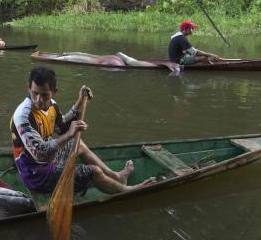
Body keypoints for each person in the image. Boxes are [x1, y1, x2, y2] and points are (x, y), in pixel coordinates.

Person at [10, 66, 155, 194]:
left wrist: (79, 102)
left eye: (44, 95)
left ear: (54, 92)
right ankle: (127, 190)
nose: (39, 100)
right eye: (35, 93)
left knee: (78, 143)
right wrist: (69, 134)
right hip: (36, 174)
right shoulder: (24, 116)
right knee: (94, 172)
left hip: (49, 160)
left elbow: (61, 126)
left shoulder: (52, 105)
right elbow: (41, 154)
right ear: (28, 88)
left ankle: (117, 177)